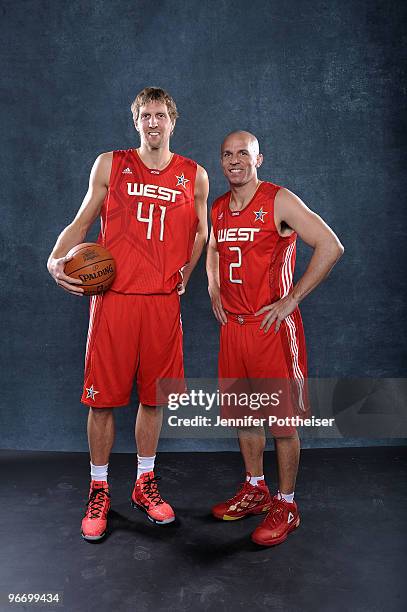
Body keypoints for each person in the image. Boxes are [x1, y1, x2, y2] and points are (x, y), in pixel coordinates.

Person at [47, 87, 209, 541]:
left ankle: (144, 482)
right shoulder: (110, 164)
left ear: (173, 121)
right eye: (145, 116)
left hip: (162, 302)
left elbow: (202, 233)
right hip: (114, 299)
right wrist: (53, 259)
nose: (153, 123)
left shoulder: (194, 175)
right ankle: (99, 489)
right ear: (136, 122)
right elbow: (82, 220)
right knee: (102, 400)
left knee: (154, 399)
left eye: (160, 115)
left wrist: (185, 274)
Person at [206, 130, 343, 546]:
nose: (234, 161)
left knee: (282, 424)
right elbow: (213, 249)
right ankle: (255, 488)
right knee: (244, 416)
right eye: (227, 154)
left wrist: (290, 301)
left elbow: (330, 245)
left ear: (258, 159)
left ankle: (287, 503)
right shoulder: (218, 209)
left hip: (271, 329)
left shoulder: (278, 200)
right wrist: (213, 286)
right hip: (234, 329)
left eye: (243, 154)